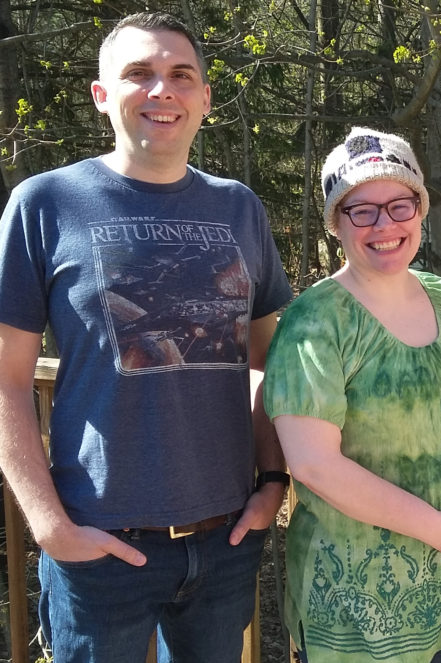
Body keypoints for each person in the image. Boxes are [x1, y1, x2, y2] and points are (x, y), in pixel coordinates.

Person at [0, 11, 292, 662]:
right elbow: (7, 381)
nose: (162, 89)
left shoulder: (240, 207)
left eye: (180, 75)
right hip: (100, 549)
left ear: (205, 99)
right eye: (140, 74)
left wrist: (272, 482)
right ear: (103, 95)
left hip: (224, 544)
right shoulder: (44, 204)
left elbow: (267, 360)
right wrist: (50, 526)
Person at [262, 126, 441, 663]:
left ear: (420, 210)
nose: (384, 225)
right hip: (354, 602)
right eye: (361, 210)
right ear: (335, 224)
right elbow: (314, 466)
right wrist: (439, 527)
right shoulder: (314, 322)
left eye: (399, 205)